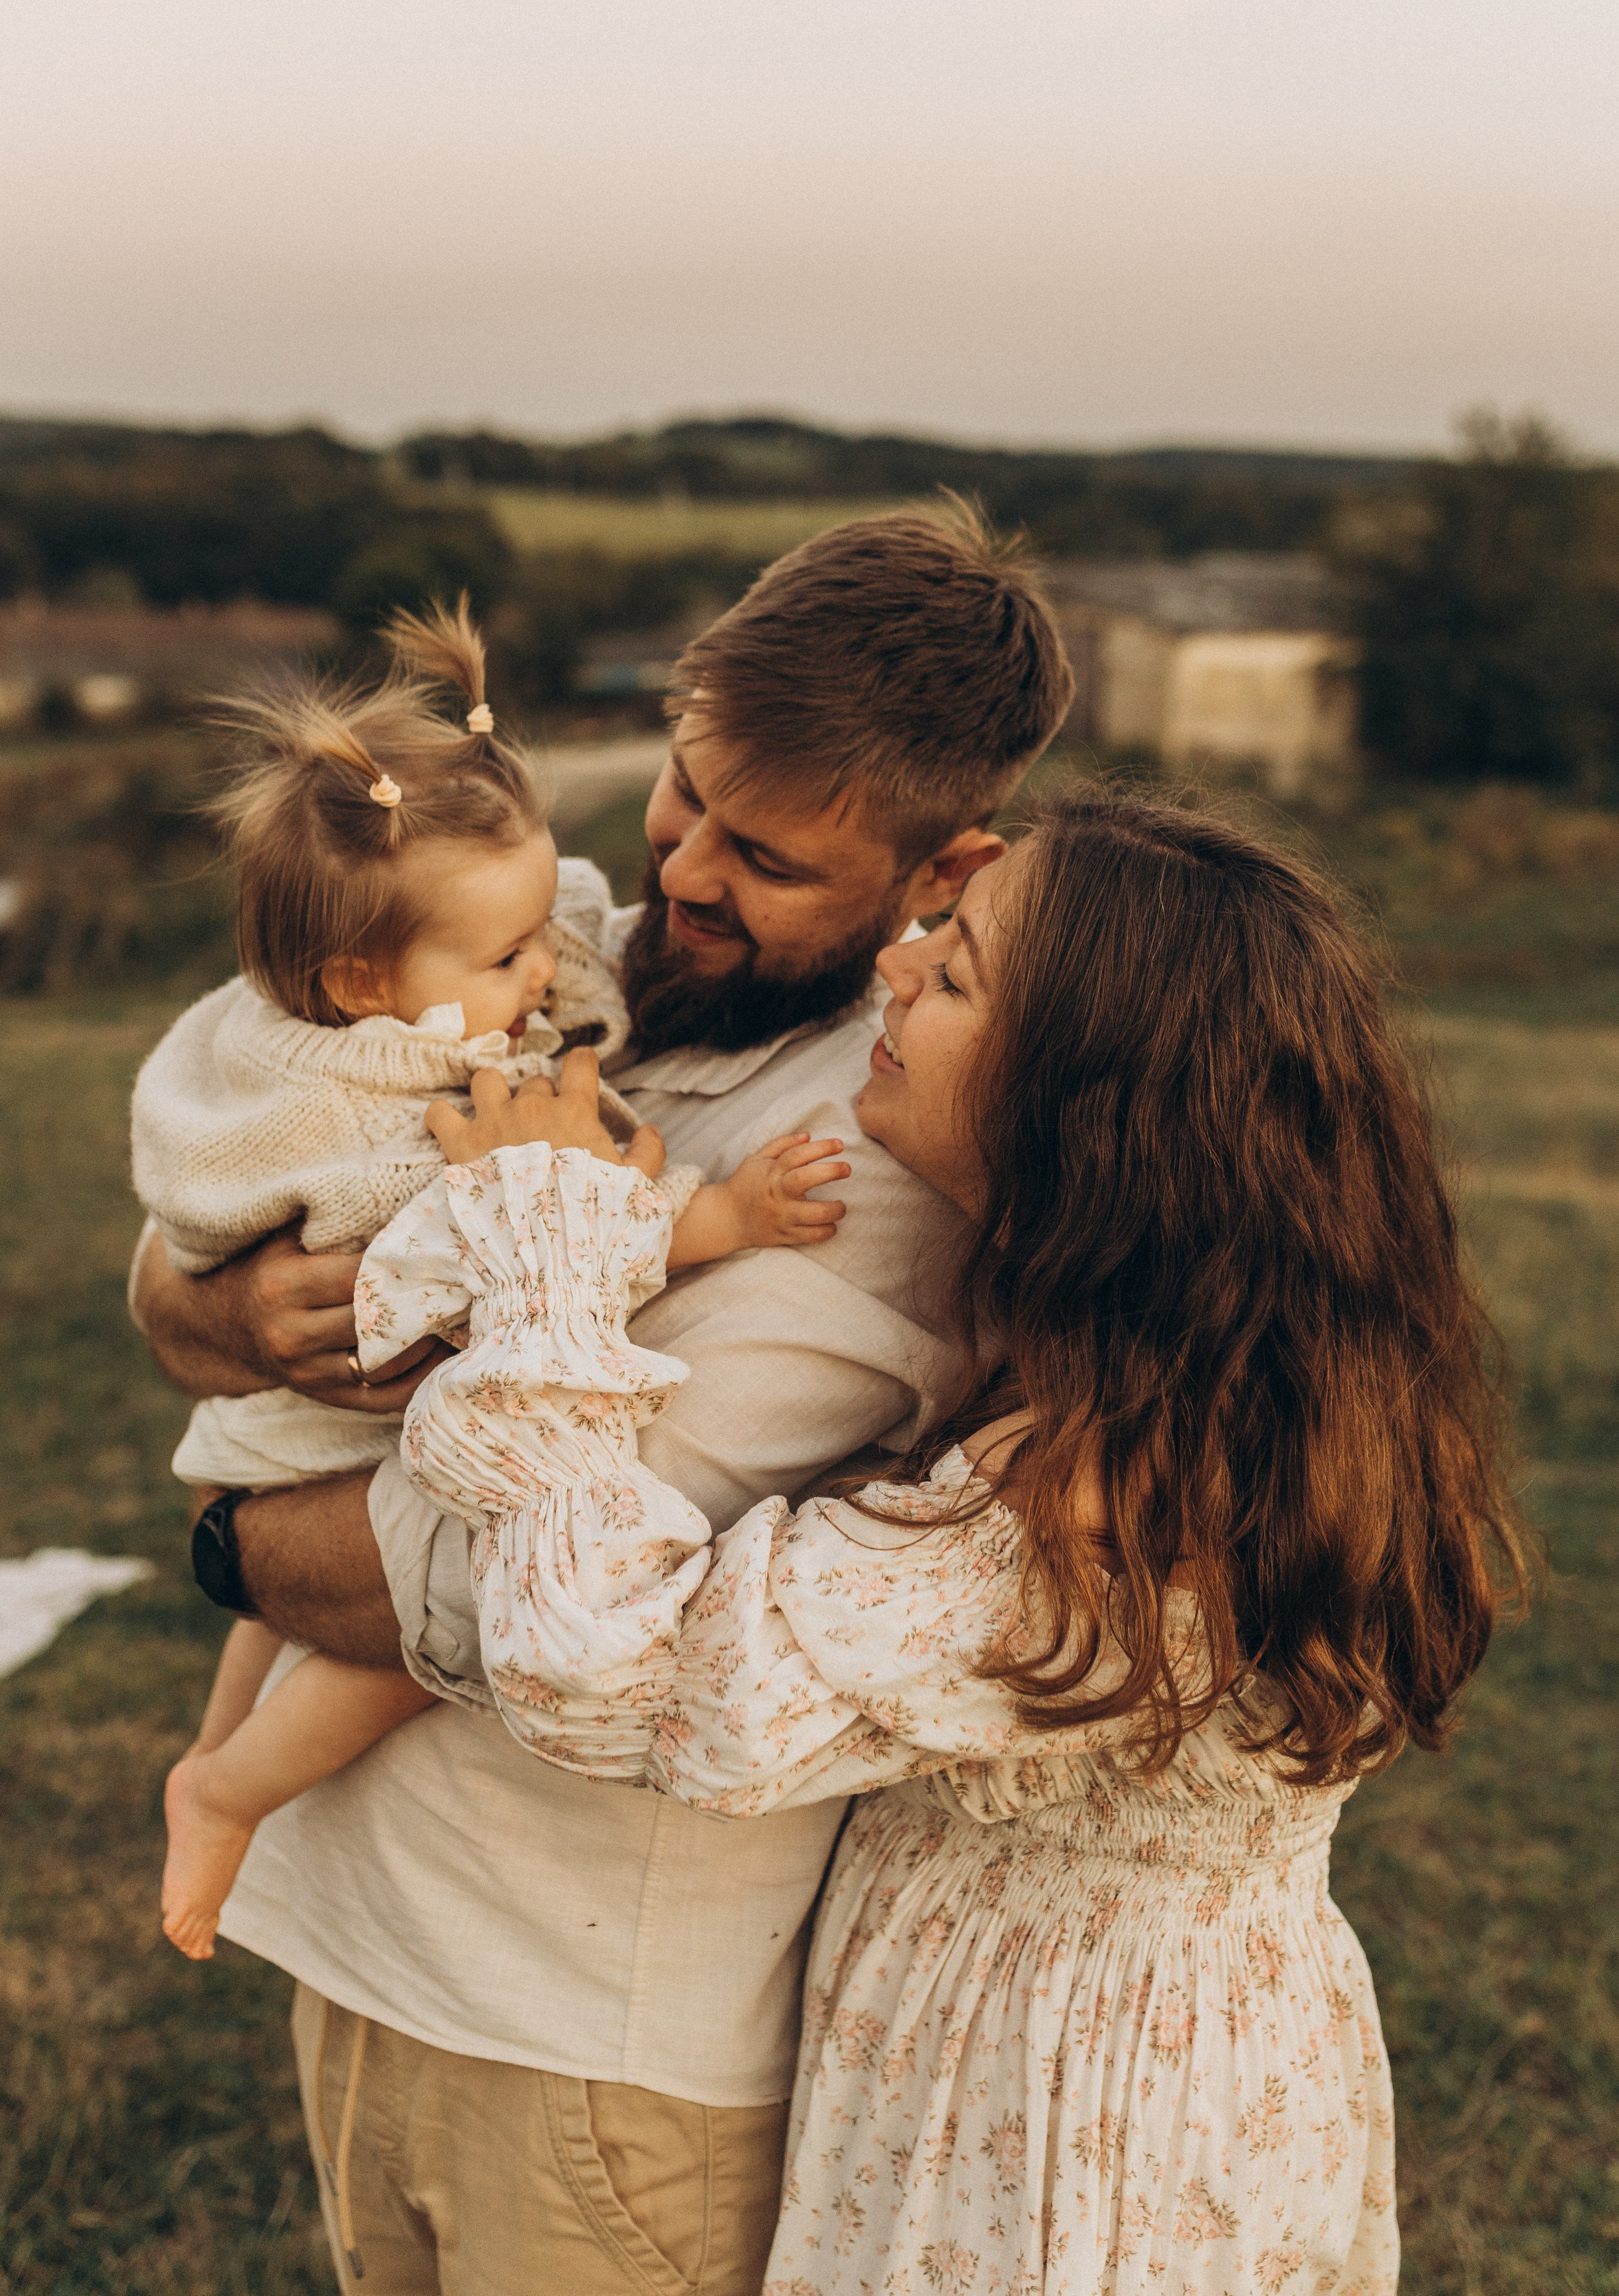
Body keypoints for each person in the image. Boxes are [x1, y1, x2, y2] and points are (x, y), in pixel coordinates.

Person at [366, 785, 1526, 2295]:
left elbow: (623, 1672)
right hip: (1187, 2057)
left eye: (957, 969)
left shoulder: (1109, 1512)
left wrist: (547, 1254)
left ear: (1086, 1106)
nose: (895, 970)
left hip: (1055, 2117)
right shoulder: (1239, 1387)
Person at [129, 508, 1074, 2294]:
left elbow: (507, 1582)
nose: (687, 875)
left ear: (948, 864)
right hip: (367, 1942)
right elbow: (210, 1244)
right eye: (683, 793)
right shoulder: (538, 957)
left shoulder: (879, 1158)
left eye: (769, 857)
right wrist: (233, 1309)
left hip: (586, 2042)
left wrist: (223, 1538)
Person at [138, 598, 851, 1962]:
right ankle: (228, 1784)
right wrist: (725, 1217)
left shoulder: (339, 1014)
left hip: (265, 1453)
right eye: (508, 956)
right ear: (362, 982)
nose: (546, 972)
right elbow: (553, 1230)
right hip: (332, 1439)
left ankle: (211, 1766)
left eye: (540, 932)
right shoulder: (396, 1125)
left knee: (269, 1616)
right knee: (382, 1653)